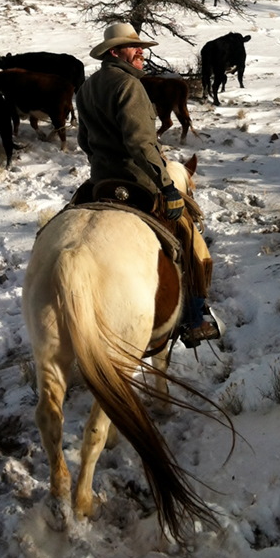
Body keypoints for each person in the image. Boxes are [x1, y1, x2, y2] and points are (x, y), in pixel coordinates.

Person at [76, 22, 220, 346]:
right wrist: (167, 187)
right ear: (115, 52)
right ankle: (194, 320)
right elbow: (141, 143)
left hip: (101, 183)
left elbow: (85, 141)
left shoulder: (86, 88)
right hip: (138, 183)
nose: (142, 51)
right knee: (188, 234)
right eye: (134, 47)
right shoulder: (130, 86)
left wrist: (103, 164)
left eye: (140, 46)